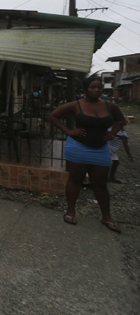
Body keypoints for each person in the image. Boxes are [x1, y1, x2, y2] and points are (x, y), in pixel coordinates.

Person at [49, 77, 126, 233]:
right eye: (93, 87)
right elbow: (53, 116)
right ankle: (71, 211)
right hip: (78, 147)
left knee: (101, 184)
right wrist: (68, 131)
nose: (97, 90)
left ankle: (107, 217)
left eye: (99, 87)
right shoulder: (76, 105)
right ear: (85, 90)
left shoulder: (109, 106)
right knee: (75, 180)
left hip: (101, 149)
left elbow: (121, 120)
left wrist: (112, 134)